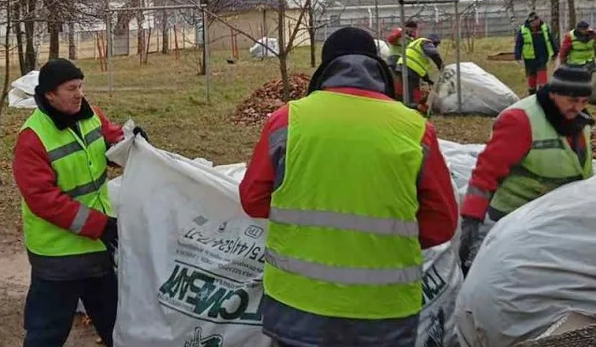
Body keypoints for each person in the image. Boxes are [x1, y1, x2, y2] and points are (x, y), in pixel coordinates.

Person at [239, 27, 458, 347]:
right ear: (379, 69)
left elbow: (252, 200)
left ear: (325, 70)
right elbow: (442, 224)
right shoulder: (415, 130)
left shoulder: (286, 122)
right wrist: (385, 239)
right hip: (384, 312)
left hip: (297, 307)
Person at [12, 58, 145, 346]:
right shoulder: (32, 138)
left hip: (96, 246)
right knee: (48, 331)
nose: (79, 93)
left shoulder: (89, 115)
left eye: (81, 86)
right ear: (49, 94)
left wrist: (132, 142)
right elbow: (44, 200)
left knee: (117, 323)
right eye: (71, 88)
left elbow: (110, 140)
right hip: (59, 256)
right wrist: (100, 225)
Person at [458, 65, 593, 275]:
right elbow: (487, 172)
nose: (578, 108)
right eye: (572, 100)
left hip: (554, 218)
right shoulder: (521, 120)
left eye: (584, 102)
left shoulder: (579, 120)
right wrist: (472, 218)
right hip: (514, 217)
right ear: (553, 93)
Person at [395, 34, 444, 114]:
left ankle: (407, 108)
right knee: (411, 94)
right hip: (410, 69)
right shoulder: (426, 42)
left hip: (401, 66)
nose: (435, 47)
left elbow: (420, 66)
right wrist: (441, 66)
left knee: (404, 91)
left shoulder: (417, 43)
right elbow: (434, 54)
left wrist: (428, 80)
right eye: (436, 45)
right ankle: (413, 110)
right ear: (434, 42)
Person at [515, 12, 559, 95]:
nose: (534, 23)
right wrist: (518, 56)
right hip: (529, 58)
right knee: (532, 77)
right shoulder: (523, 29)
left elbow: (551, 39)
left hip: (542, 56)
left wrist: (555, 52)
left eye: (535, 21)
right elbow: (519, 43)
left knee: (542, 76)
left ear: (538, 20)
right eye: (532, 22)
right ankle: (532, 94)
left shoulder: (544, 27)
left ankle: (543, 94)